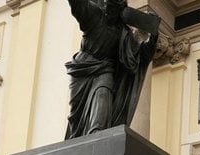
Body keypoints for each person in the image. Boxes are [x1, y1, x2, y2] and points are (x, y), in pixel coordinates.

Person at [64, 0, 159, 139]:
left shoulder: (124, 33)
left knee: (102, 96)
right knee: (75, 117)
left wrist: (153, 36)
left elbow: (140, 57)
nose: (108, 9)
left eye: (112, 7)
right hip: (82, 69)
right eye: (106, 4)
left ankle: (97, 140)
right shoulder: (94, 14)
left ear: (120, 10)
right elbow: (78, 5)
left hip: (104, 70)